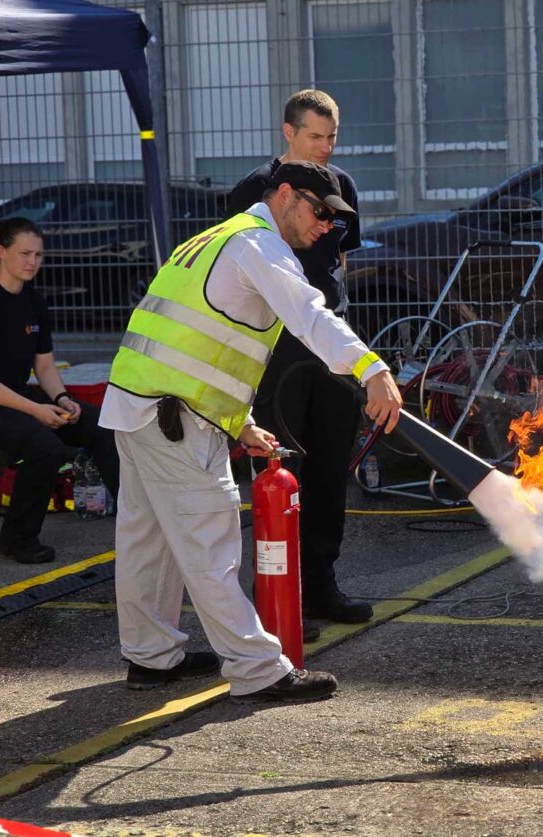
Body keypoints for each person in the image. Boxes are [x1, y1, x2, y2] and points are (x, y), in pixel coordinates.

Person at [101, 161, 403, 704]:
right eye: (318, 211)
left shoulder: (213, 241)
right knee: (211, 544)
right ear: (285, 194)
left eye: (334, 219)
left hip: (138, 406)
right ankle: (258, 669)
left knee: (147, 544)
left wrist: (241, 423)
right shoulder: (259, 246)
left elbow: (195, 345)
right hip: (175, 419)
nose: (325, 226)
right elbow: (311, 315)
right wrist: (372, 370)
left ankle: (151, 657)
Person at [226, 89, 371, 625]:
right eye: (315, 136)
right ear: (288, 133)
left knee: (331, 466)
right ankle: (277, 593)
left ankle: (321, 586)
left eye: (332, 137)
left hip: (329, 340)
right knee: (283, 465)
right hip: (279, 347)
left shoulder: (342, 187)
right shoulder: (252, 192)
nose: (326, 147)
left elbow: (341, 262)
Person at [0, 217, 120, 565]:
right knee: (44, 447)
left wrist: (61, 399)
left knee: (102, 426)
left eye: (38, 255)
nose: (32, 262)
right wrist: (37, 411)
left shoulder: (33, 301)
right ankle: (17, 540)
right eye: (24, 253)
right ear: (1, 251)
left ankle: (133, 522)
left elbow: (46, 367)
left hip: (15, 395)